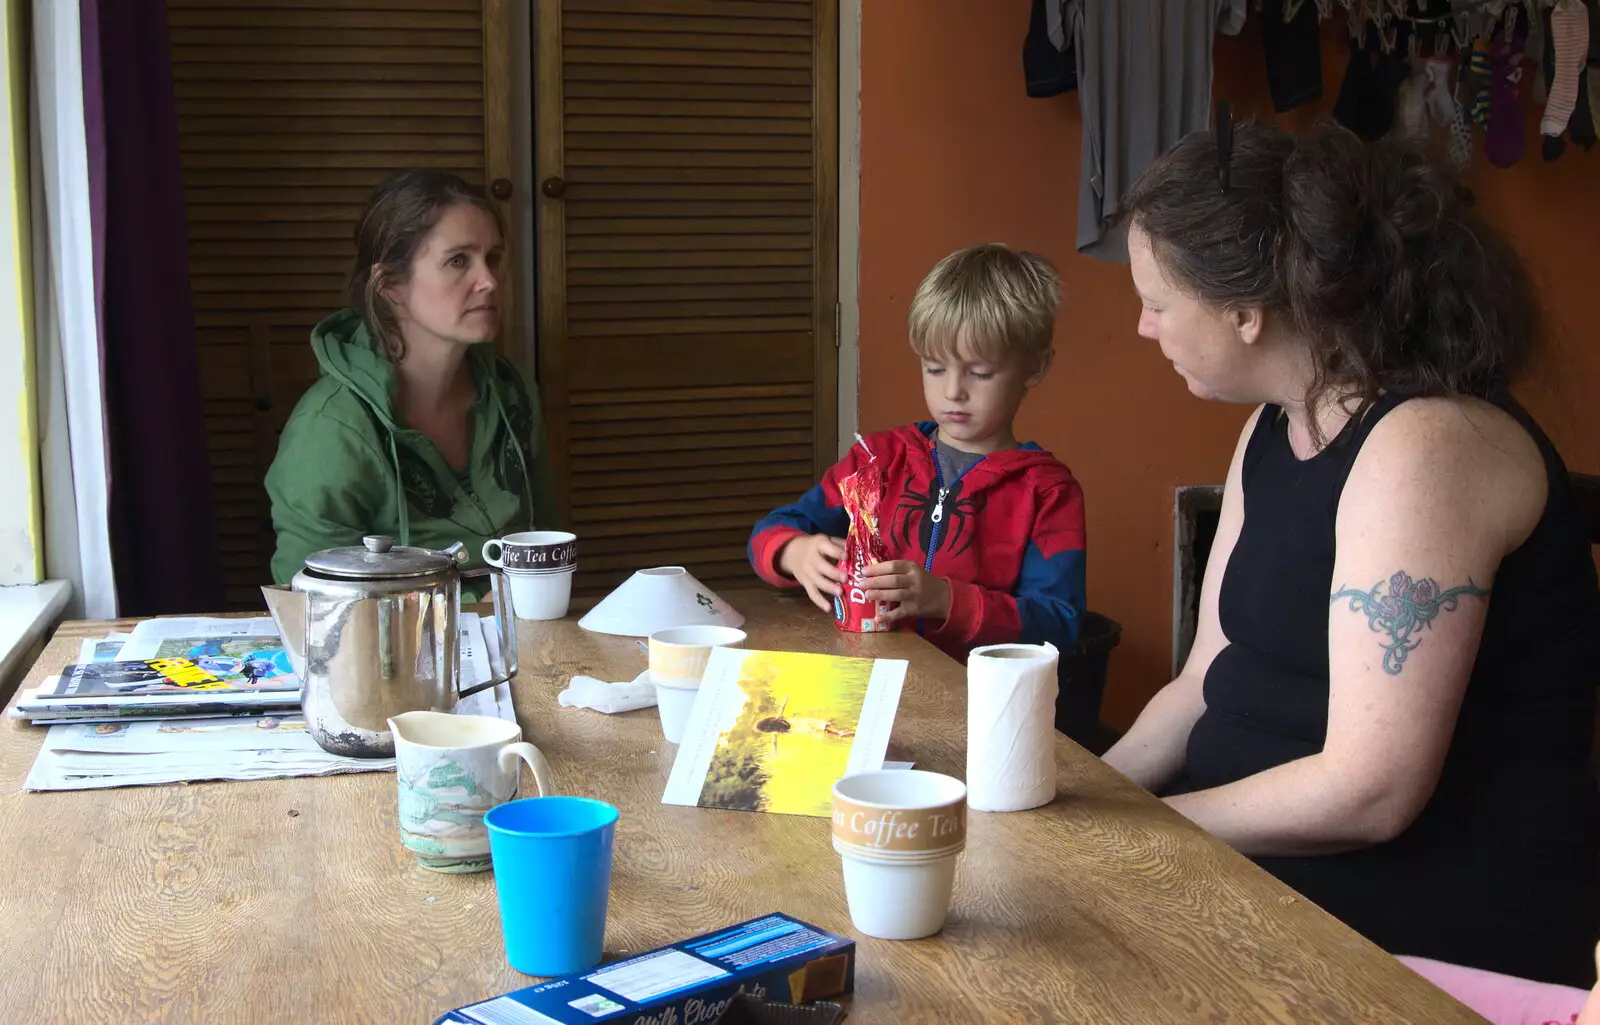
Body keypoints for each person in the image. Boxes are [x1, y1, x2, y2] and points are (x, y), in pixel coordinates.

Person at [1102, 121, 1600, 986]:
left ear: (1244, 313)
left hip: (1422, 930)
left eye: (1156, 300)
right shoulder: (1274, 423)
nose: (1144, 327)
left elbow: (1371, 789)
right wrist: (1080, 797)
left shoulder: (1427, 448)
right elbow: (1202, 681)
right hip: (1260, 878)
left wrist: (1135, 832)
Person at [748, 243, 1086, 661]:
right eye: (935, 368)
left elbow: (1058, 622)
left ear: (1035, 367)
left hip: (968, 698)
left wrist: (946, 599)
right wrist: (791, 552)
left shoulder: (1047, 491)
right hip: (865, 678)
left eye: (980, 373)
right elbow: (774, 528)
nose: (953, 391)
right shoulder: (877, 460)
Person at [266, 171, 557, 597]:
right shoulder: (331, 431)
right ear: (391, 287)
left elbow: (548, 542)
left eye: (492, 258)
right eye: (458, 261)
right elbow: (312, 609)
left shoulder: (511, 391)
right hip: (398, 655)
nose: (490, 281)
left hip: (526, 644)